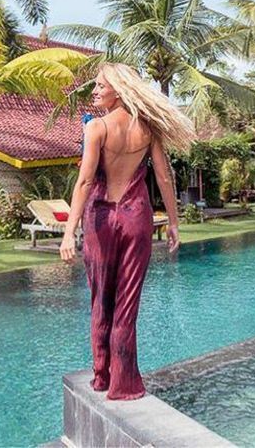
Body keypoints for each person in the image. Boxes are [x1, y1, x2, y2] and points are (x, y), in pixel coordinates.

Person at [60, 62, 195, 400]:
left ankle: (102, 376)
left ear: (117, 90)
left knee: (101, 299)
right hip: (137, 218)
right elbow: (165, 178)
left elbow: (86, 181)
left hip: (102, 221)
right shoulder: (148, 128)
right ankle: (125, 384)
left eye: (99, 86)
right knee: (127, 302)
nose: (93, 92)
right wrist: (175, 223)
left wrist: (68, 232)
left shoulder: (97, 129)